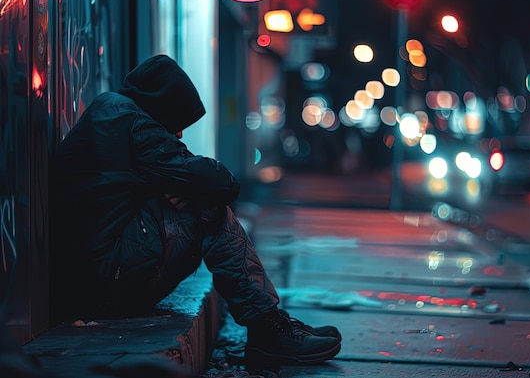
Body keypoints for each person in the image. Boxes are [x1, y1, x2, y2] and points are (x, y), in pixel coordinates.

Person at [49, 54, 341, 367]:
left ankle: (269, 322)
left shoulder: (111, 115)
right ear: (162, 106)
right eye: (177, 123)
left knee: (199, 199)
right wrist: (191, 189)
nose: (179, 134)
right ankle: (267, 327)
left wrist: (175, 186)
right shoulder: (129, 120)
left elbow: (165, 177)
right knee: (208, 209)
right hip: (104, 286)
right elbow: (216, 180)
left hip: (94, 279)